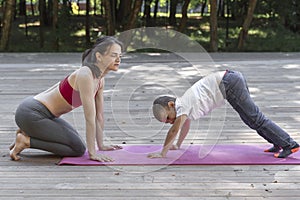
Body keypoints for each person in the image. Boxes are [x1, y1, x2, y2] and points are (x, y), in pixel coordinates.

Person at [10, 36, 123, 162]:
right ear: (99, 56)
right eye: (114, 55)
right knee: (78, 149)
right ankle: (26, 141)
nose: (118, 59)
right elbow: (90, 118)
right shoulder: (86, 75)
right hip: (32, 113)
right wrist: (93, 154)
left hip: (46, 115)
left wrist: (101, 145)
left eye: (120, 56)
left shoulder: (100, 80)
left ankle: (28, 131)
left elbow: (99, 116)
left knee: (76, 144)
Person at [148, 70, 299, 159]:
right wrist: (177, 145)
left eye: (168, 118)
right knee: (250, 120)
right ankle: (277, 143)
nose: (169, 122)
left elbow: (174, 130)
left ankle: (289, 144)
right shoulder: (184, 109)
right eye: (166, 122)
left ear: (171, 105)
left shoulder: (183, 105)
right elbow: (184, 126)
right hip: (230, 80)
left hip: (229, 83)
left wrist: (163, 153)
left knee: (254, 118)